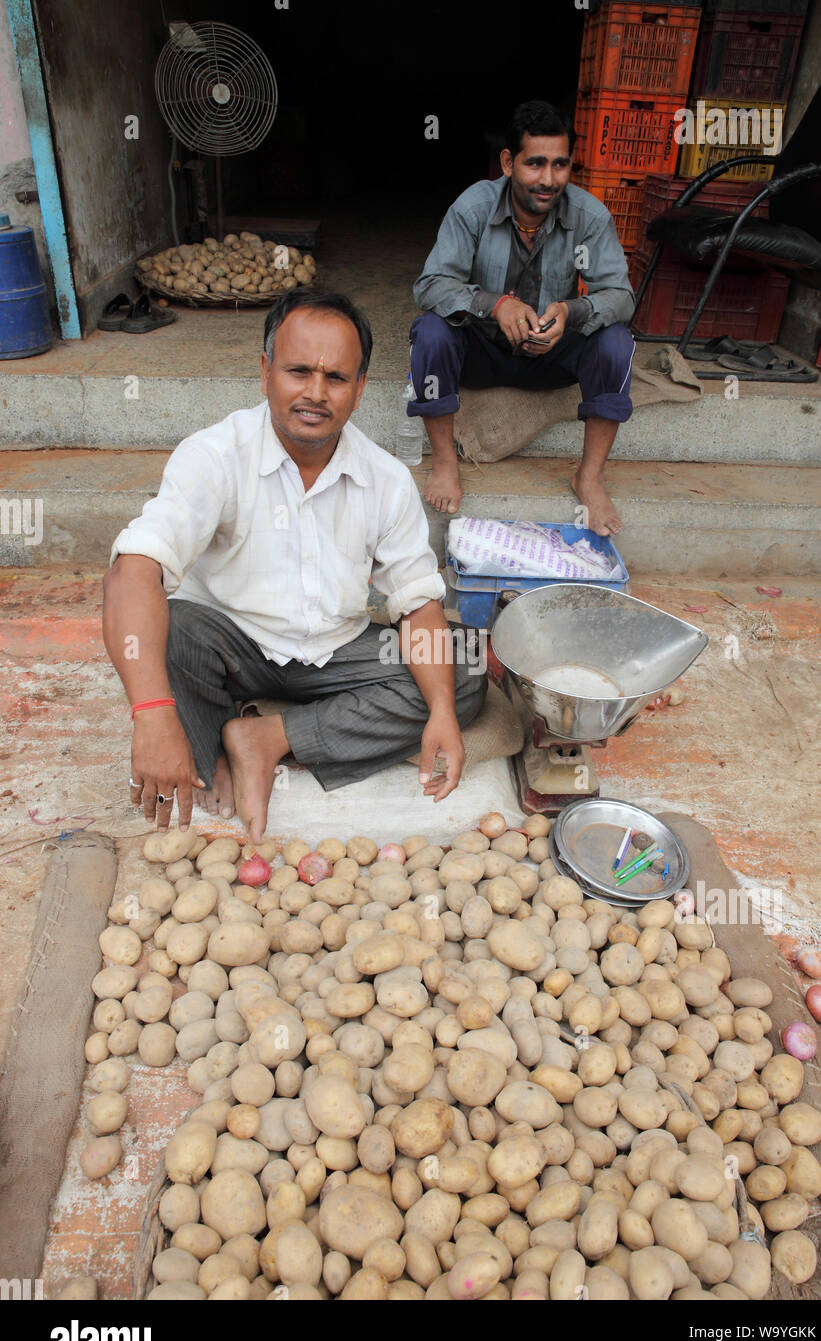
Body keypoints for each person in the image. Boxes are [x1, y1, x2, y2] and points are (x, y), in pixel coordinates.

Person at [102, 286, 487, 844]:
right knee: (167, 629)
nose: (315, 393)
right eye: (298, 371)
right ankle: (218, 738)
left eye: (336, 378)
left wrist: (443, 711)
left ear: (358, 391)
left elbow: (418, 602)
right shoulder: (214, 456)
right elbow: (133, 570)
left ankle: (265, 737)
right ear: (265, 373)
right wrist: (153, 712)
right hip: (229, 648)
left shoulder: (385, 479)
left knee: (464, 673)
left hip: (335, 652)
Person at [411, 99, 635, 534]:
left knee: (617, 341)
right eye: (535, 164)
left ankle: (587, 477)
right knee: (432, 331)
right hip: (483, 352)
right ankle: (443, 462)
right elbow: (430, 285)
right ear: (508, 163)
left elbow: (621, 296)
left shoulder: (588, 215)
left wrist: (572, 311)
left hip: (553, 356)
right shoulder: (473, 208)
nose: (548, 179)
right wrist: (494, 304)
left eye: (560, 165)